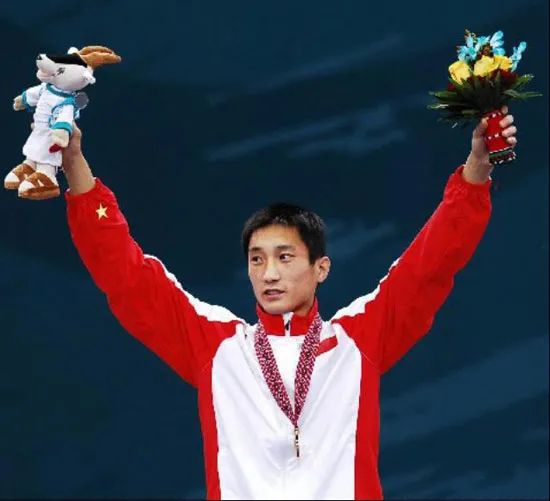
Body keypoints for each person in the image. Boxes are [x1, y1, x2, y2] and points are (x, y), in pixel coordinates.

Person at [61, 108, 517, 500]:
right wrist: (75, 165)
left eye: (285, 257)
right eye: (257, 260)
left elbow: (430, 266)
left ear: (321, 268)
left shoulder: (358, 340)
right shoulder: (216, 347)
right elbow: (127, 278)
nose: (269, 274)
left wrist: (476, 172)